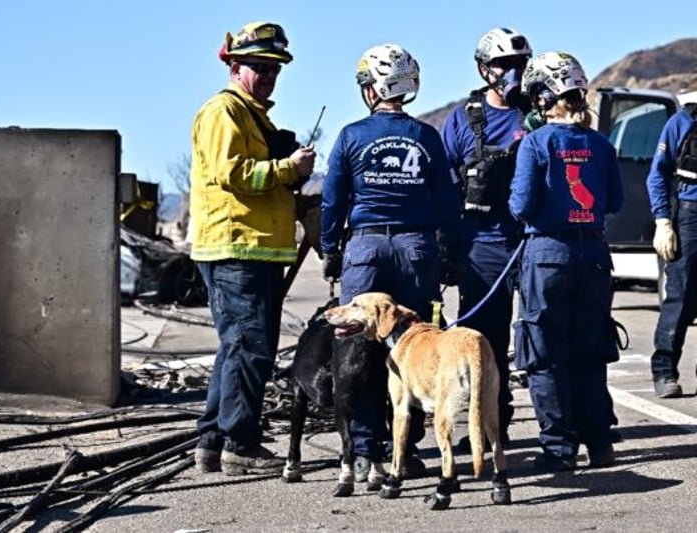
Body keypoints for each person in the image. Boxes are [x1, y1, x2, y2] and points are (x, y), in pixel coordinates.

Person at [320, 44, 462, 485]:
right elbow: (447, 202)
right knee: (413, 346)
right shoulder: (426, 137)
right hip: (416, 247)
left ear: (371, 89)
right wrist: (448, 253)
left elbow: (332, 199)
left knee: (356, 350)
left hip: (365, 248)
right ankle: (407, 447)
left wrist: (330, 249)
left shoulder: (350, 135)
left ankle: (364, 449)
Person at [189, 21, 316, 476]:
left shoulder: (252, 116)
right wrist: (287, 168)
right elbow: (233, 174)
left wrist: (286, 169)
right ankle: (240, 446)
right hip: (236, 247)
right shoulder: (225, 112)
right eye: (259, 67)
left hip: (253, 249)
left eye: (274, 69)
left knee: (235, 349)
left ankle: (212, 441)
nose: (268, 76)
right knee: (250, 349)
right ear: (234, 65)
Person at [509, 51, 624, 471]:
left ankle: (558, 449)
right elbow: (614, 201)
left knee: (544, 353)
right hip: (593, 252)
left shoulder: (535, 144)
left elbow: (521, 205)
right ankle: (599, 442)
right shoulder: (601, 144)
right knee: (591, 348)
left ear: (544, 96)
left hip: (547, 255)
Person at [440, 27, 533, 448]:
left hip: (531, 242)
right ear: (484, 69)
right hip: (483, 247)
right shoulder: (462, 119)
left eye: (520, 64)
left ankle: (568, 429)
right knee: (482, 343)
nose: (514, 72)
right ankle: (486, 427)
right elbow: (443, 185)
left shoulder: (538, 113)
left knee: (543, 335)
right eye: (504, 65)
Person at [646, 94, 697, 398]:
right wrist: (663, 221)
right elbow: (658, 174)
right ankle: (664, 371)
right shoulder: (681, 122)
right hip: (690, 215)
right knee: (681, 297)